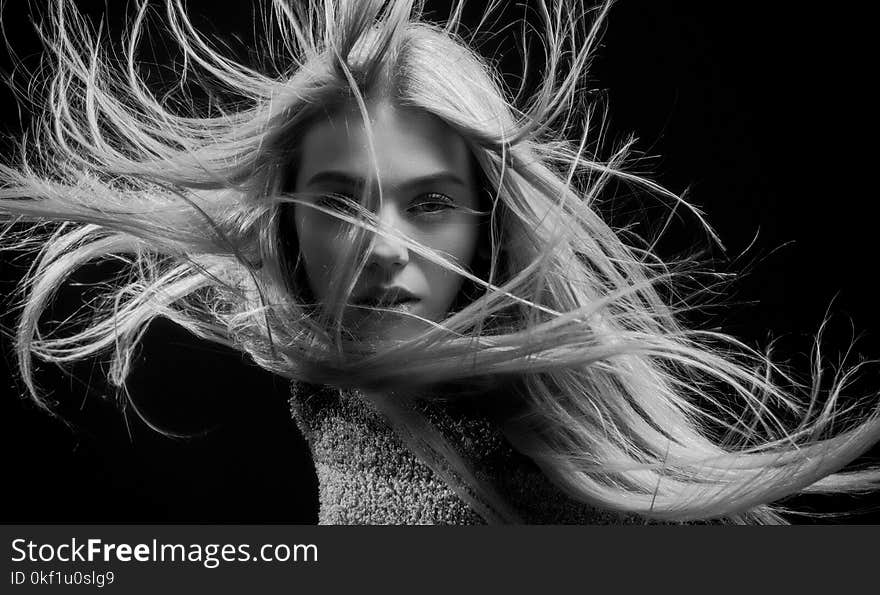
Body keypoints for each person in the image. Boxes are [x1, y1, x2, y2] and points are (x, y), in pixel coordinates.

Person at [1, 0, 878, 524]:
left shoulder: (589, 467)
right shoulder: (361, 459)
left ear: (490, 227)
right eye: (339, 202)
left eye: (429, 202)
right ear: (285, 226)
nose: (386, 247)